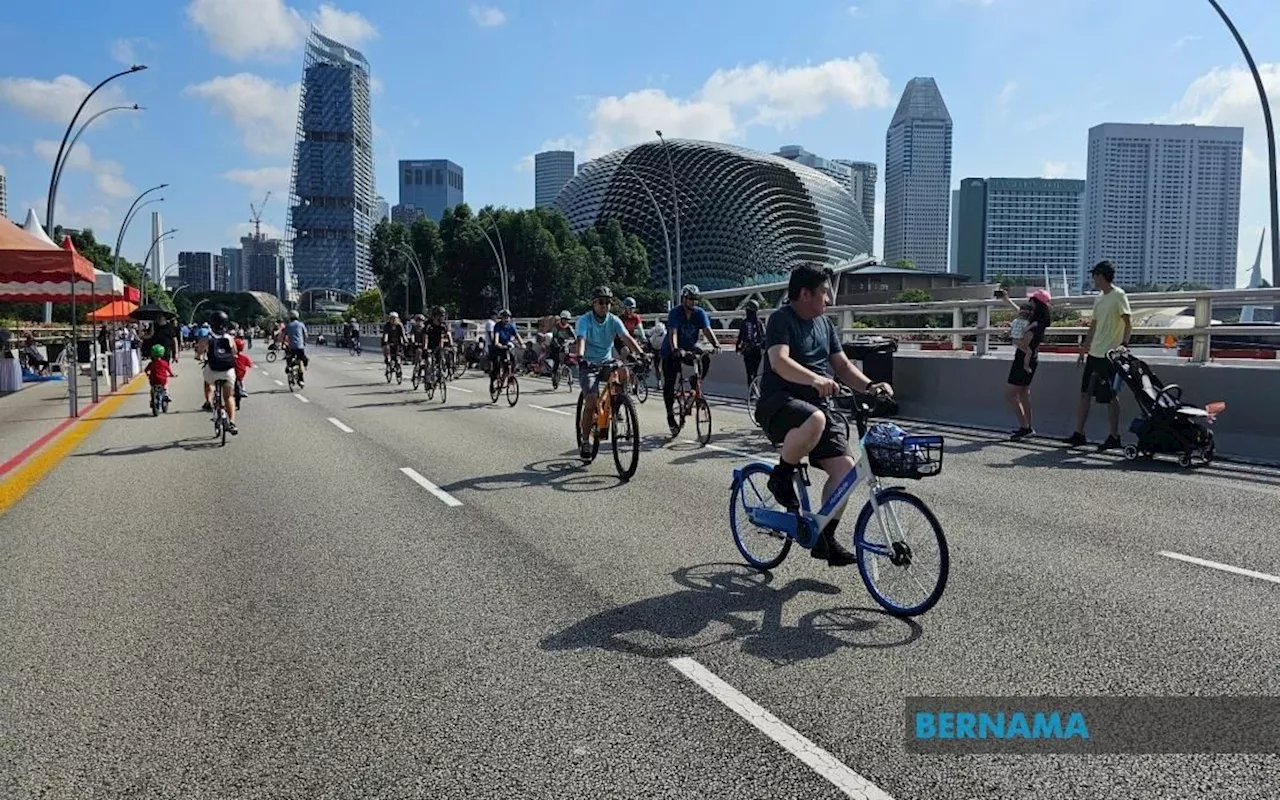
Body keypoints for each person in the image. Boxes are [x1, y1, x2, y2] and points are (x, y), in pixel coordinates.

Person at [754, 263, 894, 567]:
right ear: (805, 294)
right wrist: (815, 380)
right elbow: (779, 362)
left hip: (818, 406)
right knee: (814, 419)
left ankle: (824, 538)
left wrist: (871, 386)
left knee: (845, 471)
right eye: (824, 293)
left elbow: (843, 367)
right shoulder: (781, 319)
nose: (828, 300)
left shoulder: (825, 325)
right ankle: (780, 477)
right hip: (780, 403)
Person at [1066, 260, 1132, 451]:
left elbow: (1128, 323)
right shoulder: (1099, 298)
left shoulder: (1118, 295)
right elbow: (1094, 325)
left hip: (1110, 354)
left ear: (1101, 275)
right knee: (1085, 393)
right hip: (1094, 353)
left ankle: (1114, 436)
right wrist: (1084, 349)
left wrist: (1124, 345)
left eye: (1095, 275)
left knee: (1110, 395)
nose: (1093, 279)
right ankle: (1079, 433)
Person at [575, 286, 643, 458]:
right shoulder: (585, 320)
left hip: (606, 361)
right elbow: (581, 339)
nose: (605, 305)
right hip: (589, 363)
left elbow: (627, 337)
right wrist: (581, 356)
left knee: (624, 371)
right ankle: (584, 440)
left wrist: (641, 354)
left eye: (608, 303)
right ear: (594, 304)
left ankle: (620, 402)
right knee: (591, 400)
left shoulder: (613, 320)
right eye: (601, 302)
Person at [661, 284, 721, 435]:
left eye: (695, 299)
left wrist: (716, 344)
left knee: (704, 359)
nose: (693, 302)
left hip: (689, 347)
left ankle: (695, 384)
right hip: (671, 350)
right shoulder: (675, 313)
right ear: (683, 299)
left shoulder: (700, 313)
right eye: (690, 299)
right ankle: (670, 415)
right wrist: (675, 349)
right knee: (669, 381)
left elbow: (707, 330)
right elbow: (673, 332)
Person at [997, 288, 1052, 439]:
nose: (1029, 303)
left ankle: (1025, 427)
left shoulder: (1034, 326)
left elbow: (1023, 344)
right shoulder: (1036, 322)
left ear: (1036, 304)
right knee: (1023, 393)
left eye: (1031, 301)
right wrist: (1007, 300)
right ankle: (1028, 426)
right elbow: (1020, 314)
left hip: (1023, 360)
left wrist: (1009, 338)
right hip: (1030, 360)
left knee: (1011, 394)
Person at [201, 311, 239, 435]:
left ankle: (208, 400)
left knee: (207, 381)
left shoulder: (208, 336)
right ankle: (232, 422)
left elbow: (200, 351)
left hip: (212, 370)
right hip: (227, 371)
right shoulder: (229, 337)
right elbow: (235, 352)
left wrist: (199, 356)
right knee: (228, 397)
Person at [488, 309, 523, 386]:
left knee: (513, 360)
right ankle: (493, 382)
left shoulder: (511, 326)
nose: (506, 319)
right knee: (496, 365)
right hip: (498, 348)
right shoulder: (498, 326)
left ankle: (509, 376)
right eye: (504, 317)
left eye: (508, 317)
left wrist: (522, 344)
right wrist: (497, 343)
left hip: (506, 346)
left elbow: (517, 335)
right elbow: (496, 335)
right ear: (501, 318)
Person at [737, 300, 765, 385]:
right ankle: (754, 390)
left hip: (748, 350)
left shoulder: (745, 322)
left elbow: (741, 336)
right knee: (755, 372)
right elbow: (763, 336)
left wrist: (738, 346)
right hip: (757, 350)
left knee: (749, 373)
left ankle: (751, 391)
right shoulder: (759, 322)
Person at [284, 311, 309, 385]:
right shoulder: (301, 324)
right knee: (301, 361)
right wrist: (304, 342)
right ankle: (301, 379)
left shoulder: (288, 326)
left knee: (288, 358)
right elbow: (306, 335)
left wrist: (282, 344)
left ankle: (289, 367)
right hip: (300, 347)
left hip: (291, 347)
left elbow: (282, 336)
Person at [424, 307, 449, 380]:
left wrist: (451, 344)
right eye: (439, 315)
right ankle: (427, 377)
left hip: (438, 345)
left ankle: (440, 374)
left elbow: (447, 334)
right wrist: (425, 347)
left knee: (442, 359)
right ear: (434, 316)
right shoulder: (428, 325)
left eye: (442, 316)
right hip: (429, 345)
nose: (441, 317)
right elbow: (425, 336)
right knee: (429, 361)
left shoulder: (443, 325)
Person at [232, 337, 253, 409]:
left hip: (233, 375)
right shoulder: (244, 357)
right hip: (241, 375)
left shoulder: (231, 357)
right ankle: (243, 390)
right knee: (241, 382)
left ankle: (241, 390)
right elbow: (250, 365)